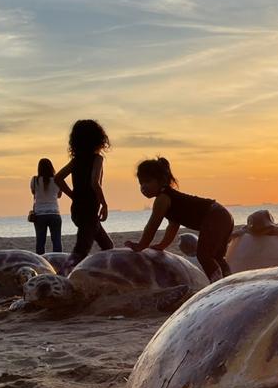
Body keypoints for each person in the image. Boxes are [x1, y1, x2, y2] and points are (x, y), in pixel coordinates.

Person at [125, 157, 234, 282]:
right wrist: (163, 245)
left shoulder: (163, 199)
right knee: (216, 256)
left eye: (148, 181)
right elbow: (173, 225)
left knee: (204, 255)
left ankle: (217, 283)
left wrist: (142, 245)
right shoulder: (171, 198)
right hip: (223, 215)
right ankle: (229, 280)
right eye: (141, 183)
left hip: (214, 216)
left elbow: (152, 225)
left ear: (162, 180)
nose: (143, 187)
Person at [54, 120, 113, 270]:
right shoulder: (97, 158)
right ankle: (63, 275)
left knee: (108, 246)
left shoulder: (76, 161)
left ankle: (103, 272)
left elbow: (58, 178)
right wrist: (104, 204)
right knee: (81, 251)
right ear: (98, 138)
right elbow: (95, 182)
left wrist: (73, 195)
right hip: (89, 208)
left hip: (78, 210)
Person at [30, 157, 63, 255]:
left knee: (40, 242)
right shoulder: (56, 180)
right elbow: (59, 195)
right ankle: (58, 261)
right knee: (56, 241)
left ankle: (41, 263)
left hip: (40, 214)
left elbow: (33, 192)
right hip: (54, 213)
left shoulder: (35, 180)